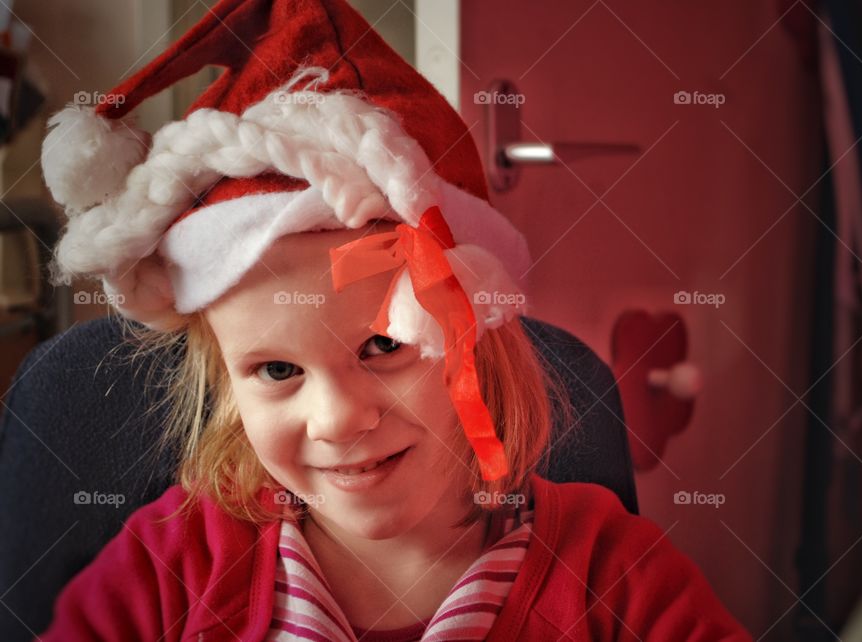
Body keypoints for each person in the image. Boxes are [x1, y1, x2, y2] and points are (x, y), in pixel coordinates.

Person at [35, 0, 752, 639]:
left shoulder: (612, 578)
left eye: (384, 345)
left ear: (478, 341)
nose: (339, 419)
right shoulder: (170, 571)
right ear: (226, 386)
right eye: (277, 369)